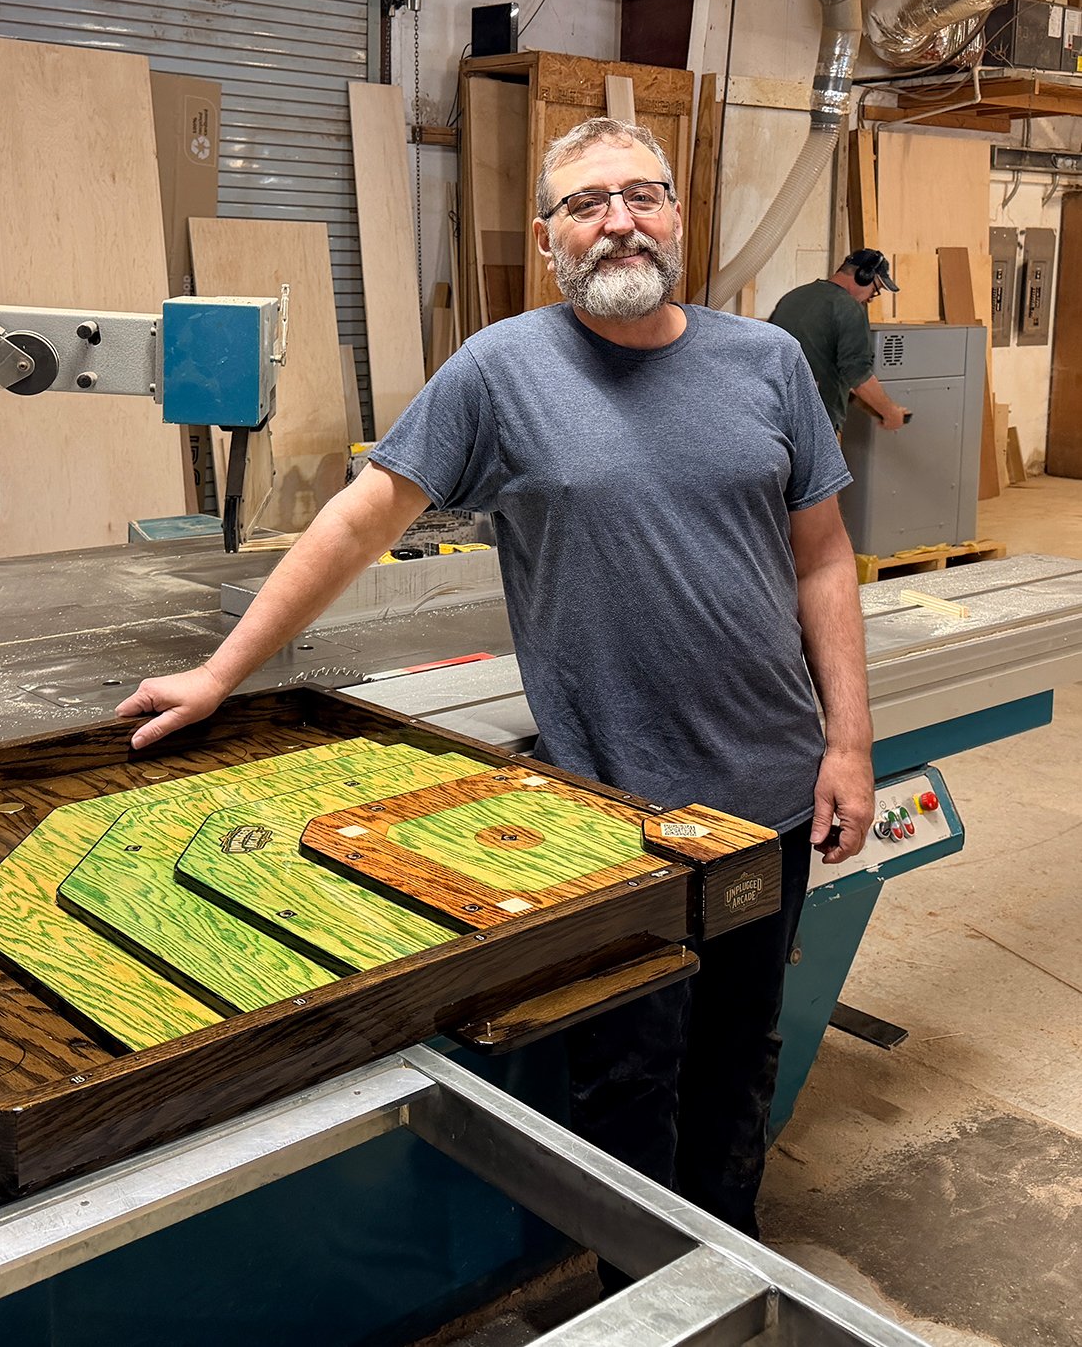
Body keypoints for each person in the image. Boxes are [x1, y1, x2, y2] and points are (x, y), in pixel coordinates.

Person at [116, 116, 875, 1260]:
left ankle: (729, 1271)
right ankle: (630, 1300)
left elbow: (822, 557)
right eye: (585, 203)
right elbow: (363, 517)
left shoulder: (766, 362)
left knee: (738, 1054)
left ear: (676, 215)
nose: (618, 219)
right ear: (549, 237)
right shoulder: (501, 370)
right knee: (624, 1080)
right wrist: (226, 670)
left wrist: (850, 746)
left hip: (765, 797)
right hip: (611, 822)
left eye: (641, 194)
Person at [769, 250, 911, 435]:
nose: (870, 298)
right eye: (874, 291)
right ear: (864, 276)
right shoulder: (849, 308)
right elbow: (858, 374)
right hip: (816, 425)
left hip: (774, 417)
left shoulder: (793, 297)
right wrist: (891, 412)